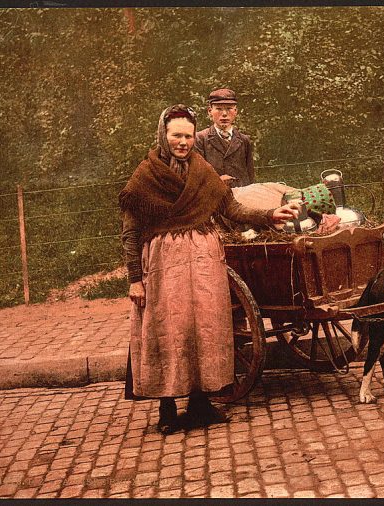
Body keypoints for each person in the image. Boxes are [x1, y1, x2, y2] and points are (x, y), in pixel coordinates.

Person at [119, 104, 298, 435]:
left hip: (204, 261)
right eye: (176, 135)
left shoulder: (202, 171)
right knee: (169, 330)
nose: (183, 142)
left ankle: (201, 403)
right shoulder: (145, 177)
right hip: (164, 263)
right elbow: (130, 233)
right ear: (163, 134)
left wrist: (270, 215)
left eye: (188, 135)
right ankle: (168, 409)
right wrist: (135, 280)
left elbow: (231, 207)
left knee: (206, 327)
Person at [195, 88, 254, 188]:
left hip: (241, 196)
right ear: (210, 111)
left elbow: (250, 176)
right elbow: (198, 175)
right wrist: (217, 182)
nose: (224, 114)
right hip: (213, 196)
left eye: (229, 108)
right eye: (219, 109)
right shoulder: (200, 139)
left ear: (235, 111)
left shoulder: (244, 140)